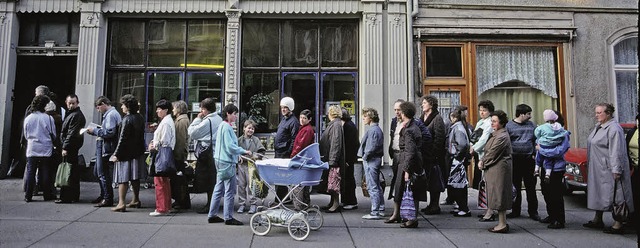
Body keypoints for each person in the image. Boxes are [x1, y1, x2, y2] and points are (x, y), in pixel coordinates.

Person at [583, 103, 634, 234]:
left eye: (599, 113)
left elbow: (617, 151)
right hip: (598, 168)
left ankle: (618, 223)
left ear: (608, 113)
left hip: (608, 168)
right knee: (598, 192)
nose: (596, 115)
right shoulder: (599, 127)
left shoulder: (614, 129)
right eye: (596, 112)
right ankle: (597, 219)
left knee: (617, 194)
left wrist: (616, 169)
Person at [207, 104, 251, 225]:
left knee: (218, 188)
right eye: (234, 114)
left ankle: (212, 214)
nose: (236, 116)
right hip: (226, 162)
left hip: (220, 159)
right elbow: (230, 146)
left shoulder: (222, 125)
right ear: (228, 114)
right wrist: (244, 151)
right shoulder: (227, 127)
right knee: (229, 191)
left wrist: (237, 155)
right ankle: (228, 217)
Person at [385, 101, 426, 228]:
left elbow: (410, 150)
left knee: (409, 189)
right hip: (407, 160)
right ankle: (406, 216)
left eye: (400, 111)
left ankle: (411, 218)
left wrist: (407, 170)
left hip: (407, 161)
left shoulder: (409, 129)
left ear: (404, 113)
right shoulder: (412, 126)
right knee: (407, 189)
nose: (398, 113)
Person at [110, 94, 146, 212]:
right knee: (135, 177)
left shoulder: (127, 119)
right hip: (137, 151)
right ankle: (135, 199)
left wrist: (116, 154)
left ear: (128, 106)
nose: (121, 107)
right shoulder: (140, 117)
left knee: (123, 178)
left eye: (123, 105)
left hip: (126, 153)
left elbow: (122, 139)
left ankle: (121, 203)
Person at [478, 110, 512, 233]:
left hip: (499, 168)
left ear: (501, 122)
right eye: (491, 121)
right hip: (494, 168)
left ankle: (502, 224)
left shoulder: (502, 135)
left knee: (499, 195)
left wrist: (483, 162)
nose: (492, 123)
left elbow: (493, 152)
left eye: (495, 121)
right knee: (497, 194)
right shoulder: (497, 133)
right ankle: (501, 223)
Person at [188, 98, 223, 213]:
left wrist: (197, 119)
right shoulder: (218, 118)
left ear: (205, 109)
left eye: (202, 109)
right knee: (213, 180)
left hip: (208, 154)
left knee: (208, 181)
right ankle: (213, 203)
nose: (201, 111)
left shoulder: (207, 121)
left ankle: (210, 205)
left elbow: (192, 133)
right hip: (216, 152)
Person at [505, 104, 540, 220]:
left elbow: (536, 140)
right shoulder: (509, 126)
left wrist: (535, 152)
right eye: (528, 114)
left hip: (528, 159)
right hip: (515, 159)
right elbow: (507, 141)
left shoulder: (532, 126)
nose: (530, 116)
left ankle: (533, 211)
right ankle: (515, 210)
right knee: (516, 185)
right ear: (521, 114)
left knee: (531, 186)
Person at [86, 96, 122, 207]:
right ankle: (104, 195)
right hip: (105, 146)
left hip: (106, 147)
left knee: (102, 173)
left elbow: (109, 132)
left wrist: (95, 131)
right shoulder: (112, 114)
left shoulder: (111, 115)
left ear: (103, 104)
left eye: (98, 107)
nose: (98, 110)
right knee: (98, 171)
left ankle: (107, 197)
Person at [537, 110, 570, 229]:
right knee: (546, 191)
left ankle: (559, 219)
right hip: (545, 166)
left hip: (557, 168)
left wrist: (542, 150)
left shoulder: (563, 133)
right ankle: (551, 215)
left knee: (555, 193)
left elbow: (559, 151)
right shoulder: (546, 131)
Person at [23, 95, 56, 202]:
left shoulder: (28, 118)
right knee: (45, 171)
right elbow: (53, 134)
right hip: (45, 147)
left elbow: (26, 134)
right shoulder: (49, 118)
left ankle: (28, 195)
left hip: (32, 147)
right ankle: (47, 194)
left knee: (31, 171)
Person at [419, 95, 447, 215]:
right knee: (429, 181)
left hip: (434, 156)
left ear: (431, 104)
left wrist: (434, 154)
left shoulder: (437, 118)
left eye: (425, 103)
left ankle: (435, 205)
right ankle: (430, 204)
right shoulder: (421, 117)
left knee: (435, 180)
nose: (422, 105)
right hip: (424, 155)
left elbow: (440, 138)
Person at [56, 94, 86, 204]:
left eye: (73, 103)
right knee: (71, 172)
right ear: (66, 102)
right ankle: (71, 196)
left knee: (68, 172)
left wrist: (65, 147)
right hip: (71, 147)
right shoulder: (73, 114)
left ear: (77, 103)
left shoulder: (76, 115)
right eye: (69, 103)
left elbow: (71, 134)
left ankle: (67, 196)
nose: (71, 105)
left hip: (70, 148)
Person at [148, 100, 175, 216]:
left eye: (159, 109)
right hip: (165, 152)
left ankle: (161, 208)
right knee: (164, 181)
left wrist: (154, 145)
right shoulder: (167, 121)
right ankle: (166, 206)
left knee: (160, 181)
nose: (157, 111)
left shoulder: (165, 123)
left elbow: (164, 140)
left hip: (161, 153)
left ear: (165, 110)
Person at [359, 107, 385, 219]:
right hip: (374, 160)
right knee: (376, 185)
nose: (363, 119)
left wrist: (365, 157)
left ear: (370, 117)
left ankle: (375, 211)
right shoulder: (376, 129)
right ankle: (380, 208)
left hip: (371, 161)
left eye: (365, 117)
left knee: (372, 186)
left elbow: (371, 148)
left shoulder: (373, 130)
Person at [318, 105, 345, 213]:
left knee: (334, 183)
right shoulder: (335, 124)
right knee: (331, 182)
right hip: (330, 158)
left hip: (333, 160)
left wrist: (333, 160)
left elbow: (336, 143)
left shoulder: (336, 125)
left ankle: (335, 204)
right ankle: (332, 202)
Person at [274, 97, 300, 203]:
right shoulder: (284, 119)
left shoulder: (293, 121)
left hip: (284, 153)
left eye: (285, 107)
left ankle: (282, 199)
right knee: (278, 177)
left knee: (282, 177)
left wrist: (289, 152)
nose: (283, 109)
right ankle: (280, 198)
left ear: (290, 108)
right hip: (279, 151)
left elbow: (294, 139)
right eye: (282, 107)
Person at [237, 120, 266, 214]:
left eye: (252, 129)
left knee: (251, 185)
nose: (250, 130)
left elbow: (261, 151)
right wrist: (238, 157)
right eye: (249, 128)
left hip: (252, 166)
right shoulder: (239, 140)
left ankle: (253, 204)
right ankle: (242, 204)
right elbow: (234, 151)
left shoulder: (256, 140)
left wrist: (256, 157)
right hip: (241, 165)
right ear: (244, 128)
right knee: (241, 185)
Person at [447, 106, 471, 217]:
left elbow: (462, 144)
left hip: (457, 160)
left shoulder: (458, 128)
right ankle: (462, 207)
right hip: (459, 159)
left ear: (454, 117)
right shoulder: (461, 127)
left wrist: (457, 156)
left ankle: (463, 208)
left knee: (459, 185)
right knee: (458, 184)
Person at [473, 100, 495, 217]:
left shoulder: (489, 123)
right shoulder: (481, 122)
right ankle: (486, 208)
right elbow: (476, 137)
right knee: (483, 182)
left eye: (484, 110)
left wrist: (474, 148)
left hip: (485, 154)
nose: (482, 112)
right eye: (480, 110)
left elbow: (484, 138)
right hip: (479, 154)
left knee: (486, 182)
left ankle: (489, 209)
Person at [290, 109, 314, 211]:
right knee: (304, 185)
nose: (302, 120)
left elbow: (300, 145)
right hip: (303, 159)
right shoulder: (305, 129)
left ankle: (298, 207)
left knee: (298, 186)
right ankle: (305, 205)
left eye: (304, 118)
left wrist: (293, 156)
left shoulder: (306, 130)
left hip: (300, 159)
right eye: (301, 117)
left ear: (309, 119)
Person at [534, 110, 568, 178]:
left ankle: (537, 169)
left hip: (557, 168)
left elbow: (558, 151)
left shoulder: (564, 134)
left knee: (555, 187)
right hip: (544, 167)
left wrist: (541, 149)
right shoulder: (545, 132)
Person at [170, 100, 191, 210]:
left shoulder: (181, 121)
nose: (173, 110)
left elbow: (180, 140)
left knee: (179, 180)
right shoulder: (182, 120)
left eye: (174, 108)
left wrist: (178, 155)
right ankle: (180, 200)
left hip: (179, 154)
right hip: (180, 154)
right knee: (179, 179)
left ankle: (182, 201)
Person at [341, 108, 359, 210]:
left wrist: (347, 160)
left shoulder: (347, 127)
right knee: (348, 179)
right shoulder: (350, 125)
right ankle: (348, 200)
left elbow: (349, 145)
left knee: (348, 180)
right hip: (350, 157)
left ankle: (351, 201)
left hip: (348, 158)